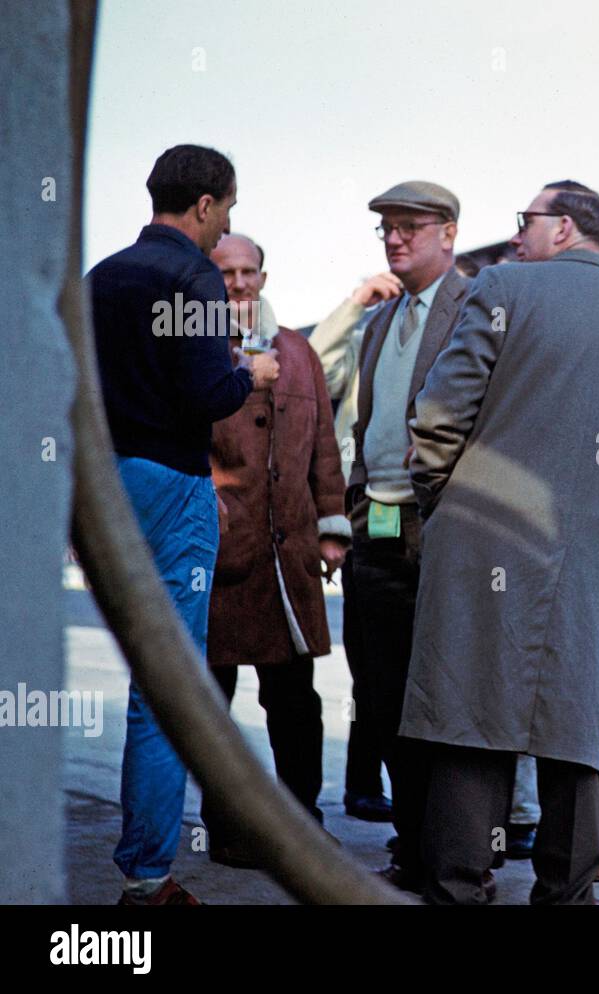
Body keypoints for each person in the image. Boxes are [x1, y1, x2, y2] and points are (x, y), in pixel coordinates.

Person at [401, 181, 599, 905]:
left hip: (481, 535)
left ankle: (459, 887)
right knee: (574, 725)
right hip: (588, 550)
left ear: (562, 227)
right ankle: (568, 891)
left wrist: (439, 498)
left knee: (472, 721)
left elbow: (440, 412)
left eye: (524, 221)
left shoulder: (503, 288)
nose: (514, 236)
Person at [88, 144, 279, 905]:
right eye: (227, 209)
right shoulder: (191, 274)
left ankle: (144, 861)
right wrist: (250, 374)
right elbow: (209, 391)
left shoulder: (101, 276)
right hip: (173, 483)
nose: (226, 222)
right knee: (168, 683)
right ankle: (149, 874)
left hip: (110, 483)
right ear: (205, 205)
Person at [200, 233, 349, 867]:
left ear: (264, 275)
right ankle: (227, 826)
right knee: (212, 700)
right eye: (226, 272)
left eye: (248, 272)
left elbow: (322, 446)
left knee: (294, 700)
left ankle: (301, 820)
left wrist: (333, 523)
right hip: (222, 557)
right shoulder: (190, 346)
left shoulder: (297, 350)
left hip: (289, 560)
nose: (239, 283)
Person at [343, 181, 470, 891]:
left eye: (410, 227)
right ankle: (413, 843)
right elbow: (368, 430)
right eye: (386, 228)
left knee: (442, 699)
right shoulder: (380, 323)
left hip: (440, 528)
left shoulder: (477, 306)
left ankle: (448, 849)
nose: (394, 239)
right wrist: (359, 505)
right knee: (384, 694)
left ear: (448, 232)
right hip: (378, 525)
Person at [309, 270, 403, 825]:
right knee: (371, 664)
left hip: (424, 520)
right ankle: (363, 785)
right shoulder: (366, 345)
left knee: (410, 667)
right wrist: (356, 302)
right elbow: (313, 366)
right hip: (365, 521)